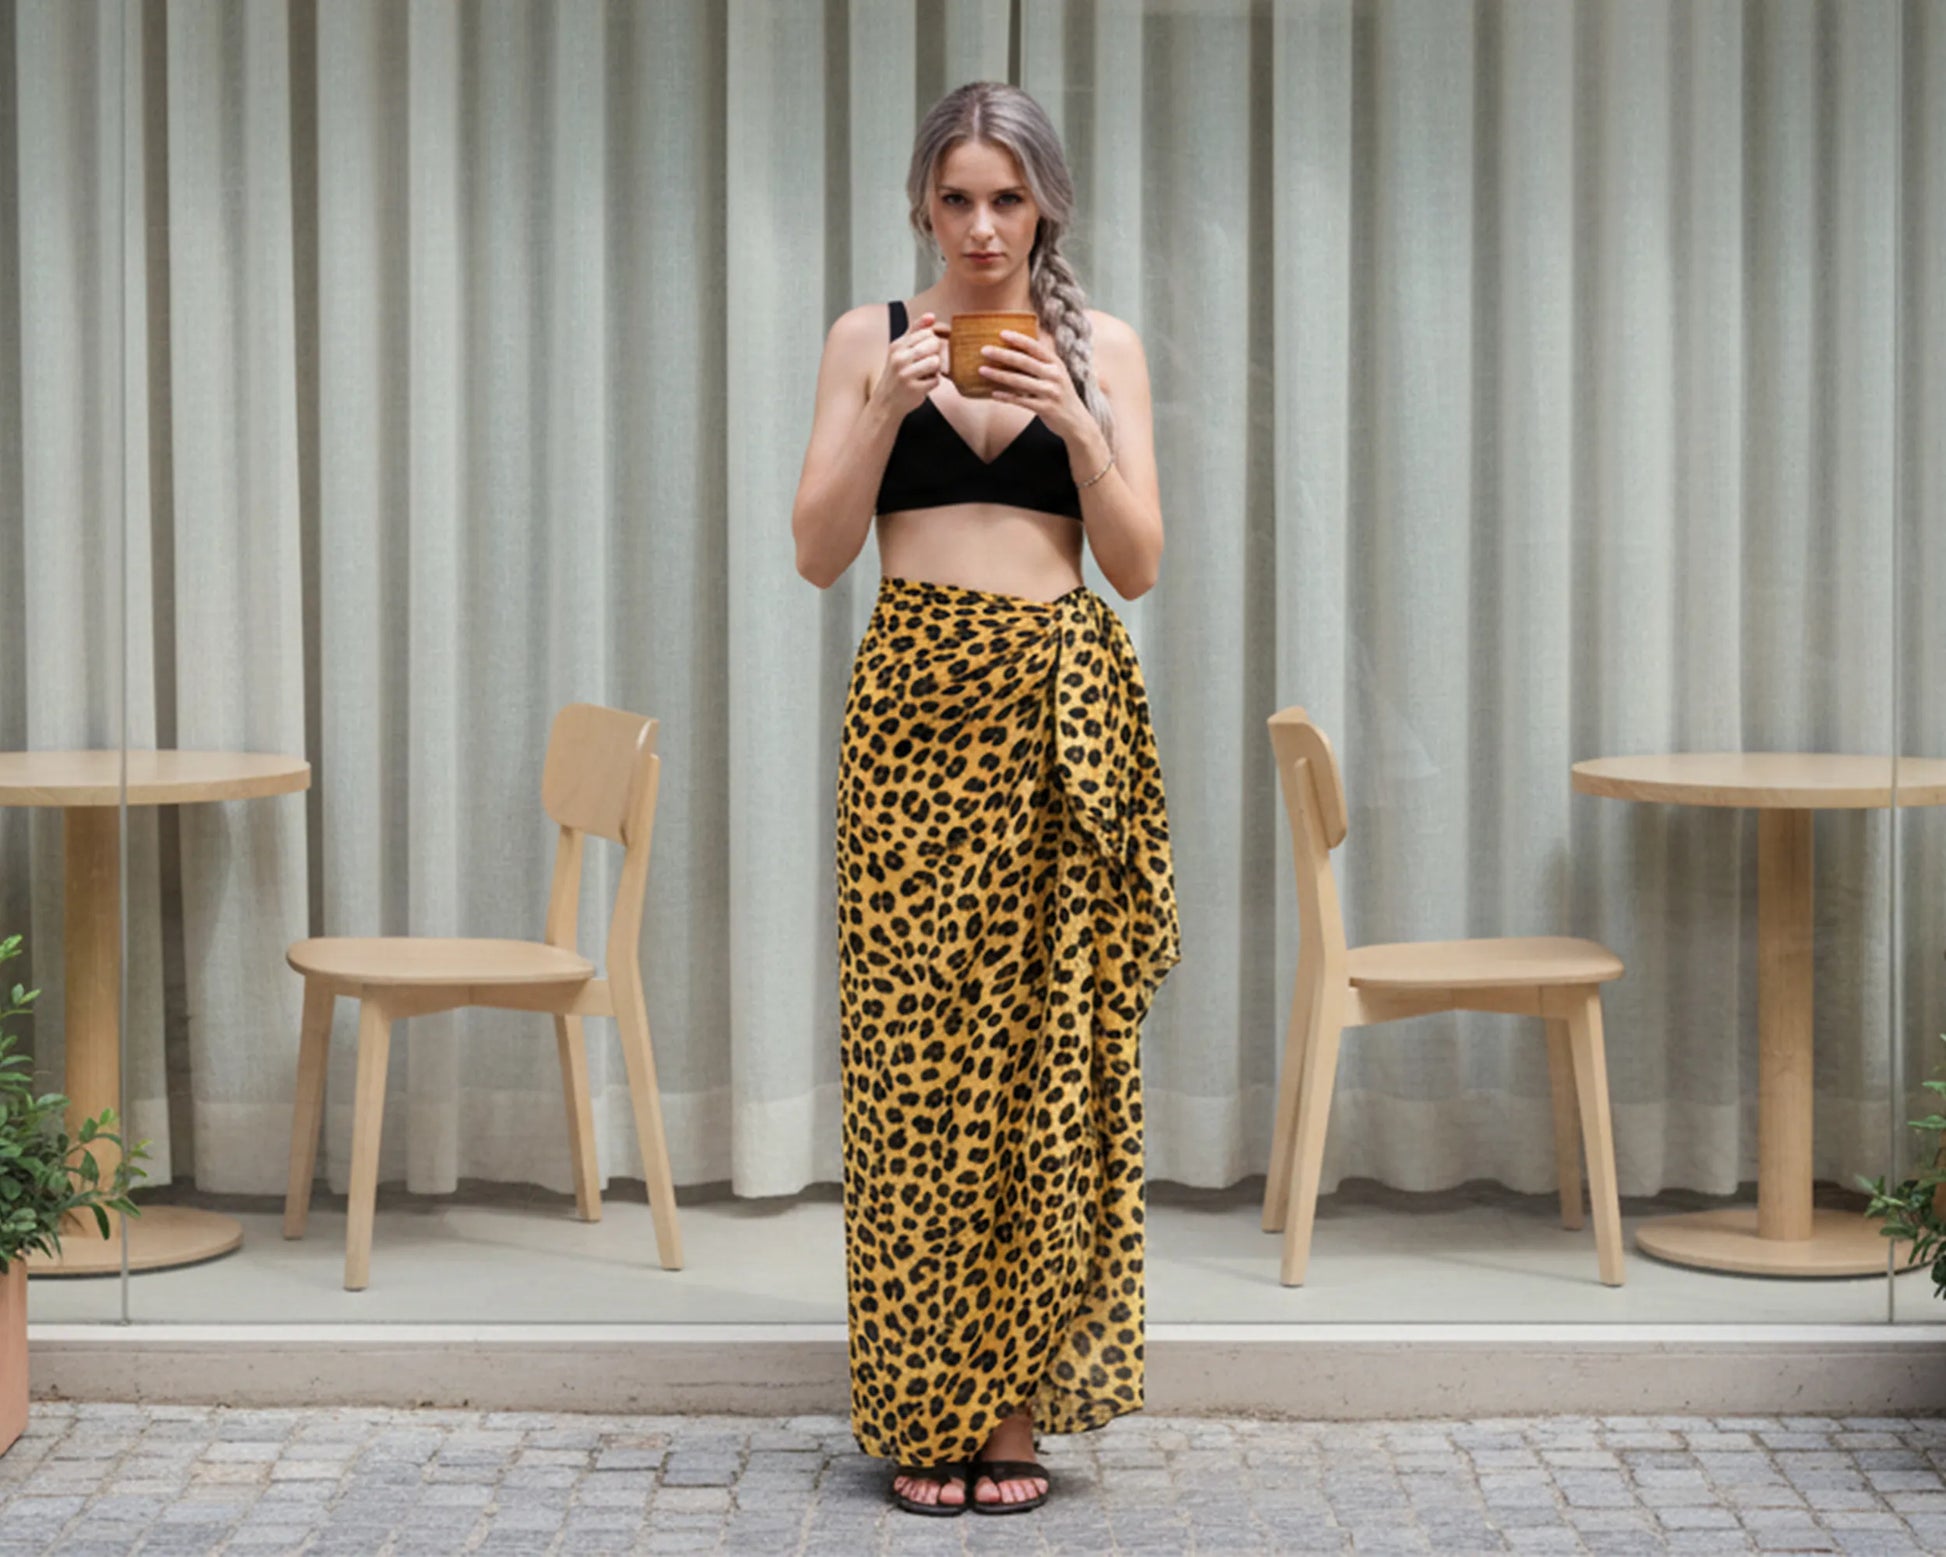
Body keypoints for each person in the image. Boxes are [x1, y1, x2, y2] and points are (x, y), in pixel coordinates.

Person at [791, 80, 1180, 1518]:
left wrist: (1078, 425)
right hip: (910, 718)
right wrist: (876, 412)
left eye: (1004, 198)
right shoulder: (865, 340)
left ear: (1045, 207)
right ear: (921, 204)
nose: (977, 226)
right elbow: (817, 554)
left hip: (1055, 721)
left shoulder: (1104, 348)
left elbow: (1135, 565)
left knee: (1042, 1076)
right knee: (910, 1071)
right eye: (953, 198)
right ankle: (920, 1404)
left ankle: (1011, 1412)